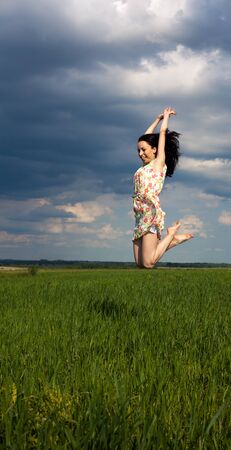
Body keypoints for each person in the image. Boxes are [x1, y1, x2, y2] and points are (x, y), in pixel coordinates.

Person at [133, 107, 193, 269]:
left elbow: (162, 134)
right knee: (140, 264)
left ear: (154, 150)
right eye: (138, 150)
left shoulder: (158, 164)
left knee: (149, 263)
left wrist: (165, 118)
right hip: (140, 213)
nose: (140, 153)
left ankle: (171, 234)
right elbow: (146, 137)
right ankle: (172, 240)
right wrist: (156, 120)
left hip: (151, 212)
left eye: (143, 150)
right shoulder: (143, 167)